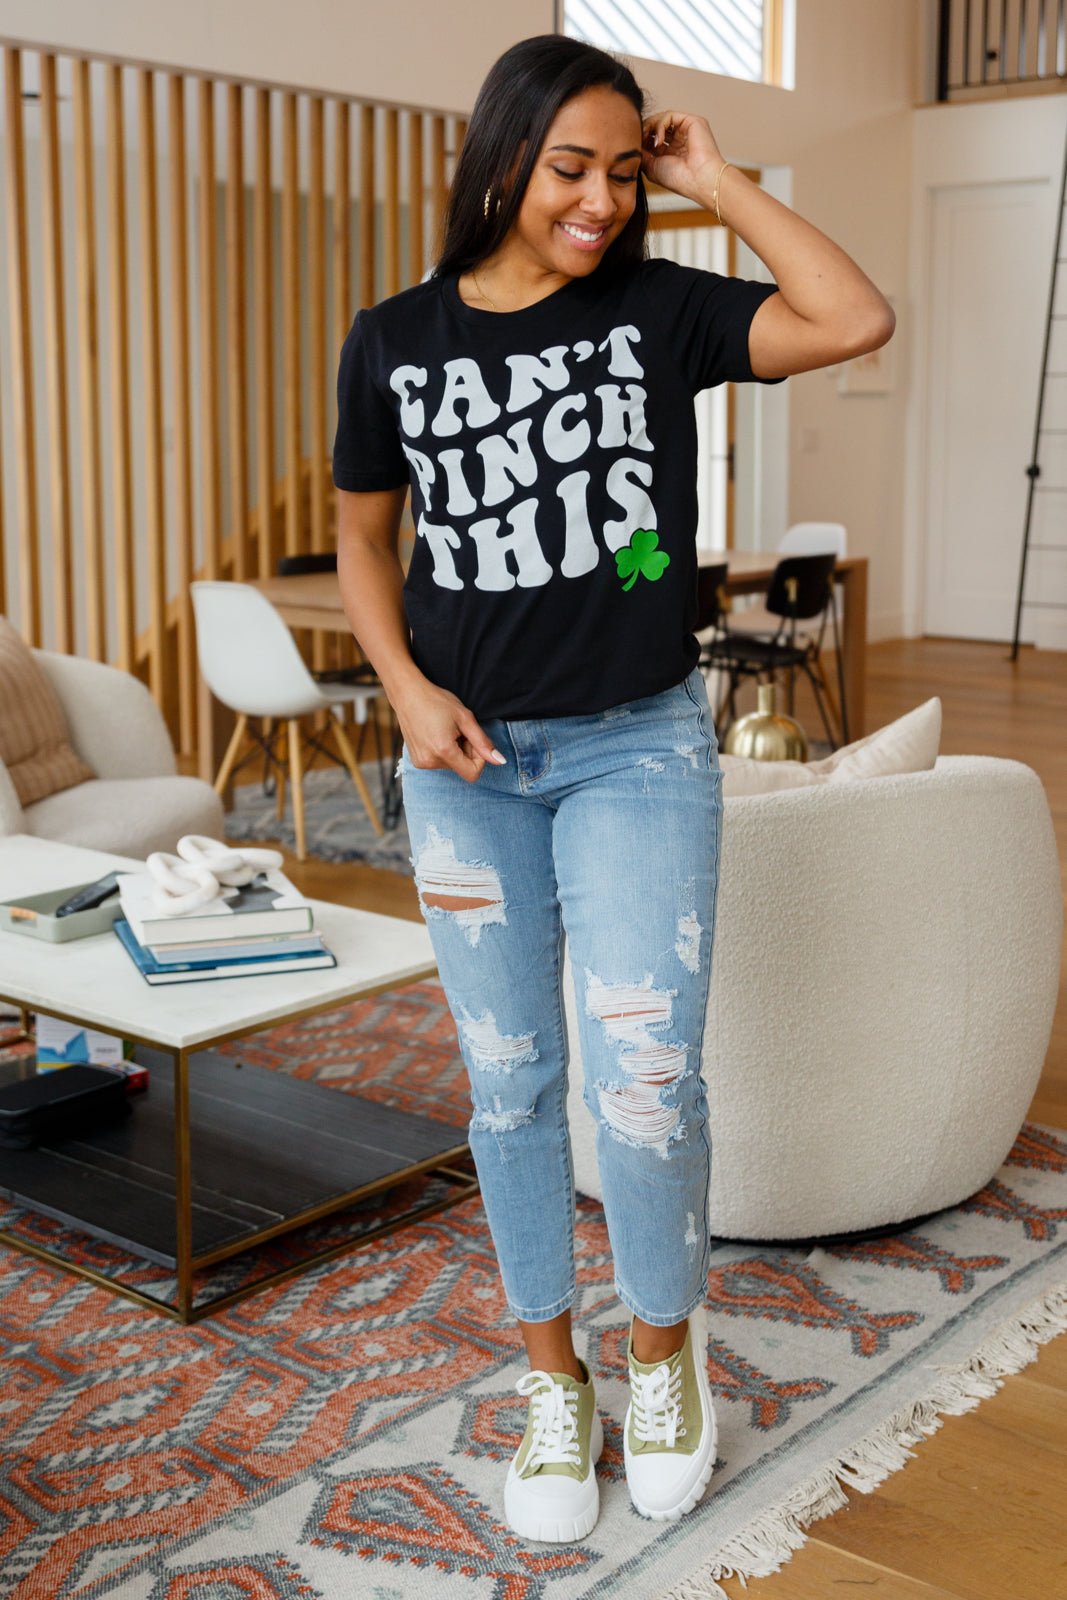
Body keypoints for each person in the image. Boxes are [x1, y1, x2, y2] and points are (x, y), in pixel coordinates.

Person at [332, 33, 893, 1544]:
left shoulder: (657, 311)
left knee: (644, 1087)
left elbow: (854, 316)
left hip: (635, 747)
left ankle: (661, 1356)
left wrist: (719, 179)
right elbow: (368, 540)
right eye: (569, 168)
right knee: (511, 1085)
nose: (599, 201)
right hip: (465, 768)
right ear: (500, 159)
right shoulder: (394, 341)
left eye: (625, 172)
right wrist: (405, 690)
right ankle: (550, 1379)